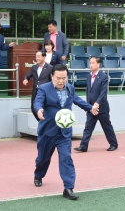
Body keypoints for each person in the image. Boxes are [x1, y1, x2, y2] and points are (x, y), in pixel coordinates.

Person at [33, 64, 99, 200]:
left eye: (64, 78)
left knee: (66, 159)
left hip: (64, 133)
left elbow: (77, 100)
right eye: (58, 78)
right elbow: (37, 102)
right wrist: (39, 110)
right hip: (47, 131)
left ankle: (68, 188)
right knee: (42, 159)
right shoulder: (44, 89)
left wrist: (90, 108)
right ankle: (38, 174)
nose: (61, 81)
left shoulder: (70, 88)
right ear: (52, 76)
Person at [74, 56, 118, 152]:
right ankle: (83, 146)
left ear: (98, 64)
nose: (91, 65)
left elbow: (103, 92)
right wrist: (88, 106)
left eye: (93, 63)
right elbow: (88, 92)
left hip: (101, 108)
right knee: (88, 127)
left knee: (106, 126)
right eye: (90, 63)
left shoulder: (103, 76)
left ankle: (113, 144)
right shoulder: (89, 76)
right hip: (91, 108)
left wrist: (97, 103)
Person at [23, 51, 53, 121]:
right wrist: (25, 79)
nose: (37, 58)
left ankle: (44, 123)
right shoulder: (34, 67)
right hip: (35, 91)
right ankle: (41, 122)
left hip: (45, 92)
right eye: (36, 56)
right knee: (33, 108)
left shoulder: (50, 67)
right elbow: (28, 75)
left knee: (44, 108)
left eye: (39, 56)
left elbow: (52, 80)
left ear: (44, 57)